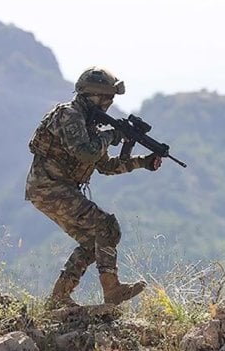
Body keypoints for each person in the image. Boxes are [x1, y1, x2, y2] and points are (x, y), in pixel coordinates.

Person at [25, 66, 162, 308]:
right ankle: (112, 291)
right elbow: (86, 153)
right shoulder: (70, 116)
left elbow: (106, 166)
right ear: (94, 96)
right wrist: (111, 135)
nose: (109, 103)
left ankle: (59, 298)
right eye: (107, 98)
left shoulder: (87, 124)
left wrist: (144, 162)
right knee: (106, 226)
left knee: (93, 242)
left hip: (53, 189)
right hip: (50, 188)